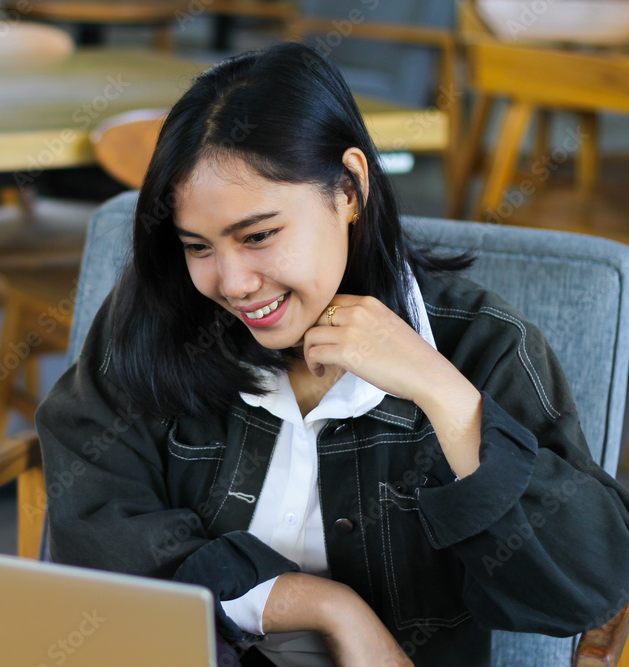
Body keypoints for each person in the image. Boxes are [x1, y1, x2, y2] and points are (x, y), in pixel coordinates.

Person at [35, 42, 629, 667]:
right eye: (198, 246)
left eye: (259, 235)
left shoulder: (480, 345)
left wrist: (445, 397)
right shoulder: (162, 315)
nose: (232, 282)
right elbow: (95, 524)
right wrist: (323, 606)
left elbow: (587, 589)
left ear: (348, 188)